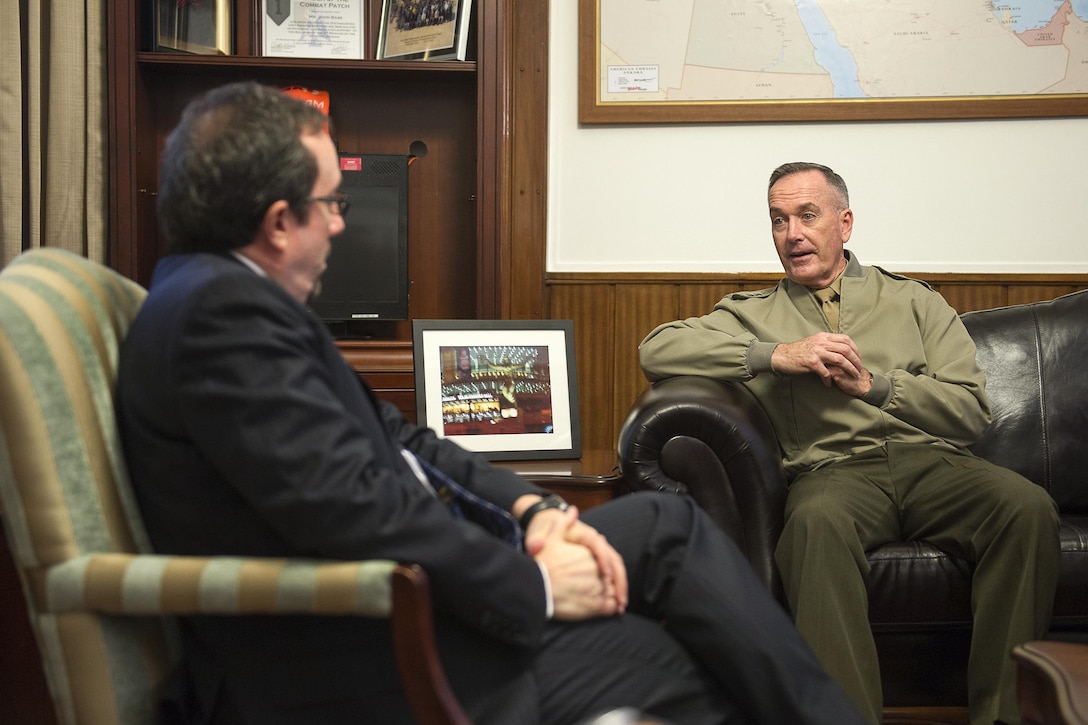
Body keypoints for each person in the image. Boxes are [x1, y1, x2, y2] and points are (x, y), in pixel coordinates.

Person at [116, 83, 864, 725]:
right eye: (329, 202)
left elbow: (405, 441)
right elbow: (357, 511)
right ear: (279, 222)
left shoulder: (230, 302)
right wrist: (535, 585)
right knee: (690, 664)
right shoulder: (222, 324)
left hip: (425, 593)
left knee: (668, 523)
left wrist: (536, 514)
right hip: (372, 656)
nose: (340, 221)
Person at [638, 162, 1061, 725]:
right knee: (813, 528)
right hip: (833, 474)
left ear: (845, 222)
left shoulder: (914, 301)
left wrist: (876, 386)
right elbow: (657, 350)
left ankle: (1005, 715)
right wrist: (775, 354)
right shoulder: (752, 313)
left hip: (933, 462)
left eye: (807, 215)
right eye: (778, 219)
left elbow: (969, 412)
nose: (792, 233)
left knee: (1026, 508)